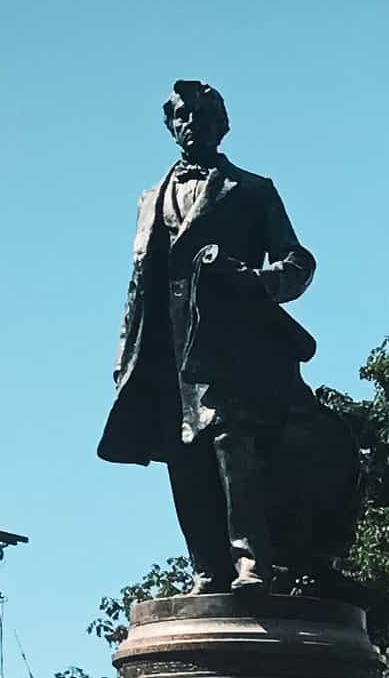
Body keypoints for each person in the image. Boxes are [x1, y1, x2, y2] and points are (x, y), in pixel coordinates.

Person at [97, 79, 318, 592]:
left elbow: (298, 261)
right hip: (162, 350)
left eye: (201, 116)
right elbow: (138, 283)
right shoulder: (150, 198)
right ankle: (207, 567)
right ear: (171, 128)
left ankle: (252, 562)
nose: (190, 125)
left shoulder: (253, 190)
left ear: (222, 126)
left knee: (229, 444)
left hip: (231, 346)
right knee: (182, 455)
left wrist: (257, 280)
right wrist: (123, 354)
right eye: (181, 117)